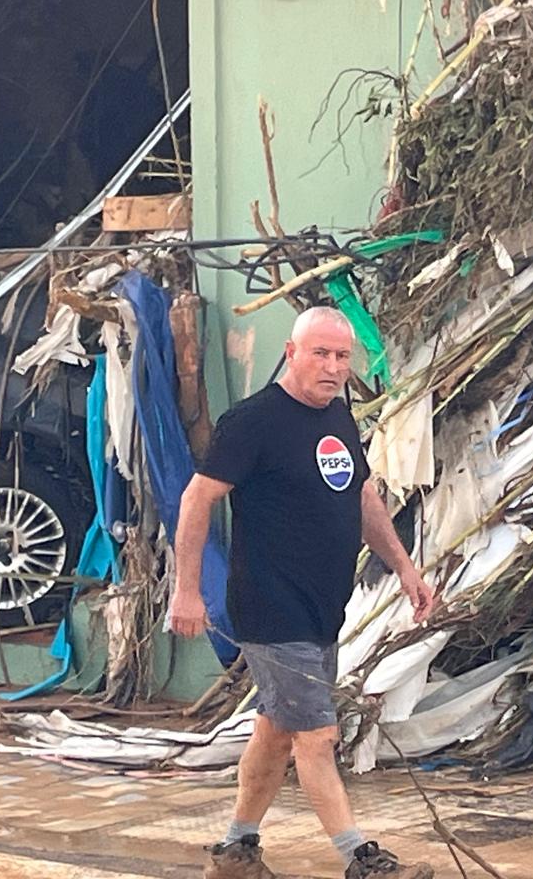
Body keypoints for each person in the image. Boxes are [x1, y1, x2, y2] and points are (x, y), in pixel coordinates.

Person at [169, 306, 436, 879]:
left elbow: (363, 497)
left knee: (276, 729)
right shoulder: (253, 422)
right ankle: (361, 861)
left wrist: (406, 569)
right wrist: (186, 592)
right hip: (271, 606)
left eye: (342, 356)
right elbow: (196, 500)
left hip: (322, 607)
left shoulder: (338, 416)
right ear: (292, 353)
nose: (333, 366)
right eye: (321, 353)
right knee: (317, 735)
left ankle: (236, 851)